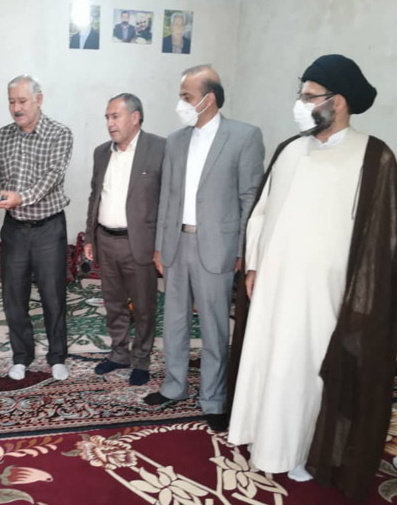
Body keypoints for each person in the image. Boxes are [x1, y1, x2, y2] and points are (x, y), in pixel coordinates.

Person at [227, 54, 397, 499]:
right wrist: (254, 264)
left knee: (303, 374)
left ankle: (301, 452)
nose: (300, 104)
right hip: (272, 288)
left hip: (323, 298)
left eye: (309, 97)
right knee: (268, 364)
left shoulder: (374, 156)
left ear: (337, 102)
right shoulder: (289, 149)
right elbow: (261, 213)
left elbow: (381, 238)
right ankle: (262, 438)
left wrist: (359, 300)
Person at [145, 65, 264, 433]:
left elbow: (250, 198)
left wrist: (244, 250)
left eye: (187, 96)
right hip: (176, 243)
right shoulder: (175, 140)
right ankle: (174, 385)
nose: (181, 103)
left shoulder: (244, 136)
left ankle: (213, 398)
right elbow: (167, 197)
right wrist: (159, 246)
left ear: (208, 99)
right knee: (174, 320)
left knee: (214, 325)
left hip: (217, 246)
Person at [0, 75, 72, 381]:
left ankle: (57, 356)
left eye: (22, 101)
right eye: (11, 102)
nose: (16, 108)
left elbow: (52, 177)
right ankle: (21, 356)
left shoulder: (59, 133)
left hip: (48, 228)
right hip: (15, 230)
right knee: (13, 296)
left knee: (53, 295)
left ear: (39, 100)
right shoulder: (4, 135)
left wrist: (20, 198)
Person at [84, 93, 165, 386]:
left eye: (115, 116)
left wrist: (161, 246)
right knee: (114, 303)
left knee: (143, 306)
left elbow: (168, 200)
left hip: (139, 242)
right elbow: (95, 195)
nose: (110, 123)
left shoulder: (159, 148)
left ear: (135, 117)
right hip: (106, 240)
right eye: (107, 117)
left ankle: (141, 359)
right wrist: (90, 236)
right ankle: (119, 353)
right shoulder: (101, 153)